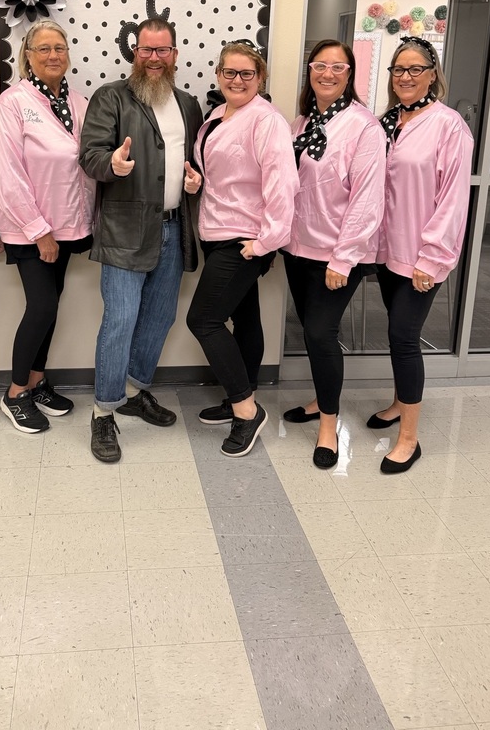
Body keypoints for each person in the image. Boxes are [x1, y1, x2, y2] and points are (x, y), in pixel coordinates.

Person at [79, 17, 202, 463]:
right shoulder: (111, 97)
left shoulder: (189, 105)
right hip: (126, 230)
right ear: (135, 53)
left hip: (173, 227)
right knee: (120, 321)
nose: (154, 58)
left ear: (175, 54)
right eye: (147, 50)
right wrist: (113, 163)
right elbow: (89, 157)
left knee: (160, 318)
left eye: (163, 50)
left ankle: (135, 390)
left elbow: (195, 163)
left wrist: (194, 185)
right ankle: (102, 413)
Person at [185, 40, 296, 457]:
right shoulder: (217, 114)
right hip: (216, 230)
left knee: (204, 321)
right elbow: (219, 172)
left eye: (246, 73)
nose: (237, 80)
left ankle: (247, 411)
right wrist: (196, 182)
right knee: (245, 317)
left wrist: (267, 241)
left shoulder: (266, 120)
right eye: (229, 72)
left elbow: (282, 183)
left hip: (246, 237)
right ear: (218, 75)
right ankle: (238, 398)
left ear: (260, 78)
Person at [368, 36, 473, 473]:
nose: (405, 77)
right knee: (396, 330)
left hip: (421, 255)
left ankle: (409, 437)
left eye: (415, 69)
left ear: (433, 74)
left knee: (403, 337)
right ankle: (397, 403)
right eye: (398, 70)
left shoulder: (449, 126)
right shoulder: (387, 121)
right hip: (388, 251)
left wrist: (431, 259)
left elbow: (452, 200)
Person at [280, 39, 386, 468]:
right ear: (310, 71)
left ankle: (328, 425)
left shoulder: (364, 127)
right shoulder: (301, 122)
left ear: (350, 74)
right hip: (298, 246)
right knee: (311, 330)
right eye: (320, 65)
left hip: (338, 254)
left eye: (337, 67)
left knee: (321, 334)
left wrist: (344, 258)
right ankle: (320, 399)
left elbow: (367, 198)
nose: (327, 73)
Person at [0, 19, 96, 433]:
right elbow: (7, 173)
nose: (54, 55)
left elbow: (86, 163)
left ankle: (36, 381)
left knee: (52, 307)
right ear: (28, 56)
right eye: (44, 48)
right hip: (32, 230)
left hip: (69, 226)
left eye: (60, 48)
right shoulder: (13, 103)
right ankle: (14, 392)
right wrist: (39, 231)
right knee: (42, 307)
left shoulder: (80, 102)